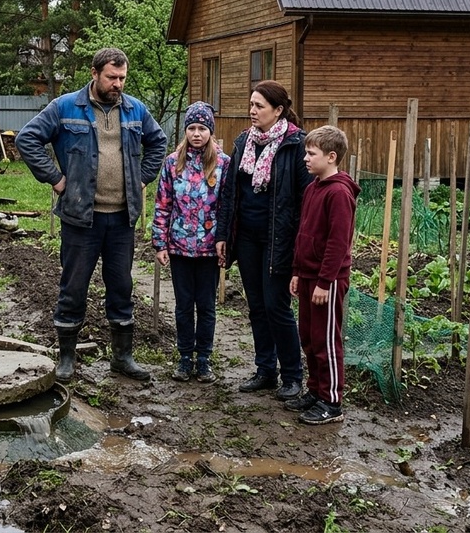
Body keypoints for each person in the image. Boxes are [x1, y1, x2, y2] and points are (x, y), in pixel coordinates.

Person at [16, 48, 168, 383]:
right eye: (112, 77)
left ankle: (122, 357)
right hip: (81, 218)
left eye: (122, 78)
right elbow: (27, 139)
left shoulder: (135, 109)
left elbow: (158, 142)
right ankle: (67, 359)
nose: (118, 84)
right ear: (94, 73)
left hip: (121, 219)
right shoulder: (66, 107)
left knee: (121, 287)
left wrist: (141, 178)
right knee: (73, 288)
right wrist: (55, 179)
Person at [216, 80, 313, 400]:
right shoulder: (244, 142)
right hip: (246, 237)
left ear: (278, 110)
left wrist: (299, 246)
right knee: (256, 306)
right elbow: (230, 192)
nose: (252, 110)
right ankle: (265, 370)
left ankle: (293, 376)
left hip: (279, 239)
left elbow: (304, 201)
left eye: (259, 106)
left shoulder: (295, 145)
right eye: (251, 104)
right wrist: (223, 234)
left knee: (276, 306)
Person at [151, 101, 229, 383]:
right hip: (180, 246)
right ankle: (185, 357)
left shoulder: (223, 164)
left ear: (210, 131)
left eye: (202, 128)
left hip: (209, 248)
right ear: (185, 131)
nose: (197, 134)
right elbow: (163, 204)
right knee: (184, 305)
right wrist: (160, 243)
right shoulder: (173, 163)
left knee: (206, 305)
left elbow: (227, 207)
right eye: (192, 128)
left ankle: (204, 359)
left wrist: (225, 242)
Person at [287, 125, 359, 424]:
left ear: (331, 157)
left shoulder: (339, 193)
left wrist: (325, 282)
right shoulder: (313, 188)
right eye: (306, 151)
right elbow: (303, 234)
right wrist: (296, 271)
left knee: (326, 340)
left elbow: (338, 243)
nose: (305, 158)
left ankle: (331, 401)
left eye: (311, 153)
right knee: (309, 336)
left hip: (327, 281)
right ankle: (315, 391)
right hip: (307, 276)